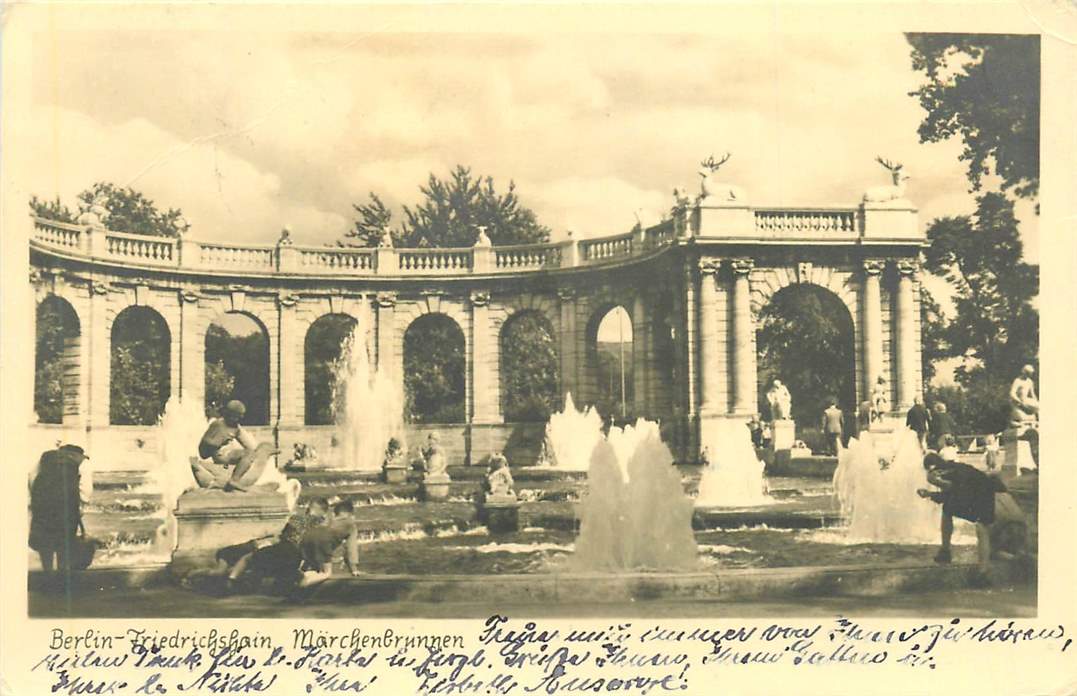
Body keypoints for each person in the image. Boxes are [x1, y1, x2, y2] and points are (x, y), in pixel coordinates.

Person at [917, 452, 1008, 574]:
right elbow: (951, 494)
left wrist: (935, 484)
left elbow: (955, 489)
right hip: (978, 494)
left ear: (934, 467)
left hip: (985, 495)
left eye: (931, 470)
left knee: (982, 527)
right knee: (949, 510)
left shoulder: (949, 471)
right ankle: (946, 552)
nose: (931, 474)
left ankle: (982, 570)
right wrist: (929, 494)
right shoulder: (949, 469)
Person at [224, 497, 330, 593]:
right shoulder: (323, 524)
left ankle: (231, 580)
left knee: (247, 558)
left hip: (283, 548)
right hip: (298, 556)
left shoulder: (295, 519)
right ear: (324, 512)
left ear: (308, 508)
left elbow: (283, 536)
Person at [29, 444, 91, 573]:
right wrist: (82, 504)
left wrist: (34, 500)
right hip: (67, 504)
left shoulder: (46, 457)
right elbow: (86, 488)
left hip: (43, 503)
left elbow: (32, 477)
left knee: (45, 540)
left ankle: (47, 571)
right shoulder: (80, 461)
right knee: (65, 539)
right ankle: (62, 572)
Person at [192, 400, 277, 491]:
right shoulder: (218, 425)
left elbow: (249, 445)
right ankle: (234, 480)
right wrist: (218, 443)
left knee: (250, 453)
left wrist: (259, 452)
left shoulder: (235, 428)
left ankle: (236, 478)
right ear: (230, 415)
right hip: (220, 455)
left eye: (241, 416)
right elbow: (203, 450)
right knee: (248, 454)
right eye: (237, 416)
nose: (240, 418)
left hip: (228, 454)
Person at [297, 500, 361, 586]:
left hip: (307, 535)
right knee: (327, 573)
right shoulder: (351, 525)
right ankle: (304, 583)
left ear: (335, 513)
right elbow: (351, 548)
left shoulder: (328, 519)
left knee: (312, 563)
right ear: (351, 514)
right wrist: (354, 569)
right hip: (323, 540)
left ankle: (300, 574)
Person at [1009, 364, 1039, 428]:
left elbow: (1032, 394)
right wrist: (1019, 402)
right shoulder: (1017, 381)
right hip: (1018, 402)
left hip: (1026, 401)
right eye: (1028, 373)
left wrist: (1036, 402)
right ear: (1024, 372)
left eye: (1030, 373)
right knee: (1021, 416)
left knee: (1038, 406)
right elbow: (1012, 393)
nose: (1029, 375)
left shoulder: (1030, 381)